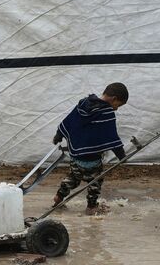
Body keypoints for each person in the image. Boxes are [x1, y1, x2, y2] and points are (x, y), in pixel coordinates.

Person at [52, 83, 128, 215]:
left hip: (75, 155)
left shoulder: (84, 104)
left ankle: (59, 196)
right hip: (92, 158)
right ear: (114, 99)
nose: (116, 109)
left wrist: (59, 134)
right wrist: (122, 156)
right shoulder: (106, 112)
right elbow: (111, 136)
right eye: (118, 105)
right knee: (95, 182)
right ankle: (91, 207)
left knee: (73, 178)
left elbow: (70, 120)